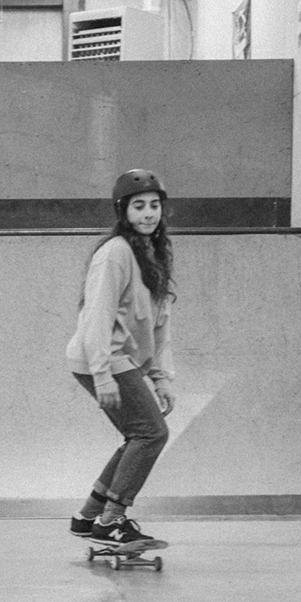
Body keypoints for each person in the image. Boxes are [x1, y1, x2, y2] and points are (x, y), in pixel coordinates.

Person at [66, 169, 176, 549]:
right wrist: (102, 375)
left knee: (139, 434)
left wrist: (162, 378)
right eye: (139, 207)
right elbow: (97, 314)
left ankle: (87, 516)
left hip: (117, 358)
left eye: (154, 206)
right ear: (123, 212)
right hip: (100, 357)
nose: (148, 214)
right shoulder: (115, 253)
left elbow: (160, 323)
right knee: (151, 433)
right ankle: (111, 522)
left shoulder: (153, 253)